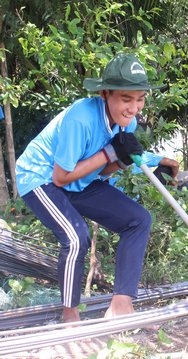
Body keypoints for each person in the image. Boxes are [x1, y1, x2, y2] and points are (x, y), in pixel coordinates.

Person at [15, 53, 175, 323]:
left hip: (80, 180)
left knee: (138, 220)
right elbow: (61, 178)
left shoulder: (128, 122)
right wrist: (110, 152)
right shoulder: (81, 118)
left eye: (140, 99)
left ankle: (121, 304)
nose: (133, 108)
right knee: (77, 237)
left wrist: (121, 160)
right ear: (105, 93)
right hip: (40, 179)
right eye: (126, 99)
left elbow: (102, 170)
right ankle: (70, 315)